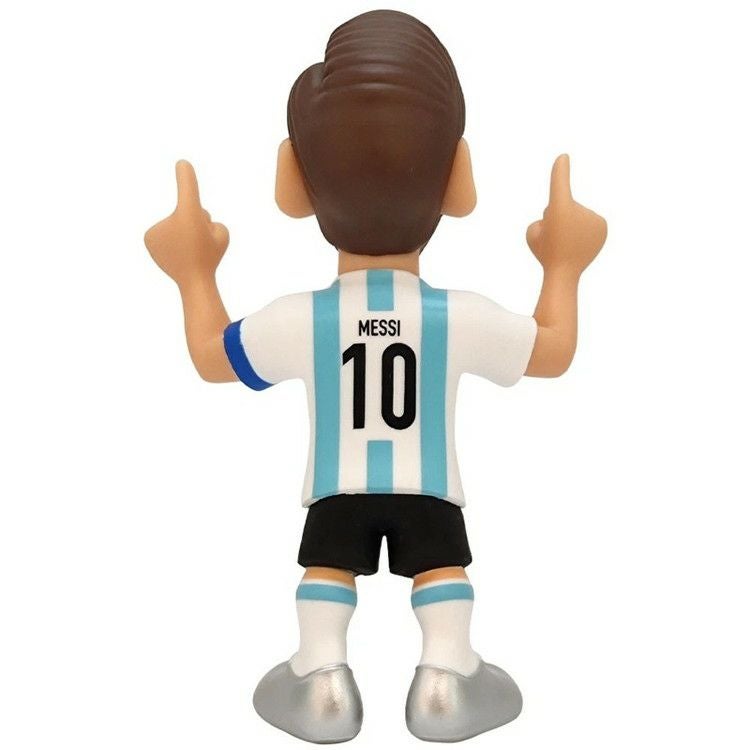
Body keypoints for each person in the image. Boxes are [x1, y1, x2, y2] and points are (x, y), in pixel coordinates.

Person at [144, 9, 606, 744]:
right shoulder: (454, 317)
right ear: (460, 182)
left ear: (291, 184)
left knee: (327, 570)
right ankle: (447, 675)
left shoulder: (308, 319)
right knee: (441, 568)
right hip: (429, 488)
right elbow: (552, 352)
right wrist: (565, 265)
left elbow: (211, 356)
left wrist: (193, 272)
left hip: (338, 488)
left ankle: (320, 674)